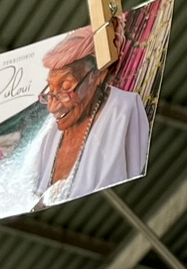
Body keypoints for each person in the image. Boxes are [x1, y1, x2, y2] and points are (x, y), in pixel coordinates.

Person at [30, 25, 150, 209]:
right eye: (51, 91)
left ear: (98, 75)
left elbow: (132, 186)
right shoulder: (50, 133)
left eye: (66, 87)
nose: (52, 107)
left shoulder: (123, 111)